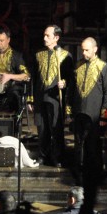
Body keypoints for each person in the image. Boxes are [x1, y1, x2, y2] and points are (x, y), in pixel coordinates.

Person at [72, 37, 107, 193]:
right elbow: (73, 89)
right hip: (79, 112)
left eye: (87, 50)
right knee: (78, 145)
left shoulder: (104, 67)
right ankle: (79, 175)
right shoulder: (78, 65)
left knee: (92, 146)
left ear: (95, 49)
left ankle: (93, 176)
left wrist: (104, 115)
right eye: (82, 49)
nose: (84, 53)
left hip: (95, 114)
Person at [33, 25, 73, 167]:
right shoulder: (39, 54)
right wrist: (31, 99)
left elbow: (70, 79)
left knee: (56, 128)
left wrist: (65, 83)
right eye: (44, 35)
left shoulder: (65, 56)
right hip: (40, 96)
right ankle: (42, 156)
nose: (44, 38)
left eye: (47, 36)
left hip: (55, 98)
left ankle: (58, 157)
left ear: (56, 38)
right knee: (42, 128)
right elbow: (34, 78)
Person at [0, 25, 30, 116]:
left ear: (8, 40)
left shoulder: (16, 56)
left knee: (15, 92)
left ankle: (14, 123)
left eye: (2, 40)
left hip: (11, 88)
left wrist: (9, 76)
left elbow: (26, 75)